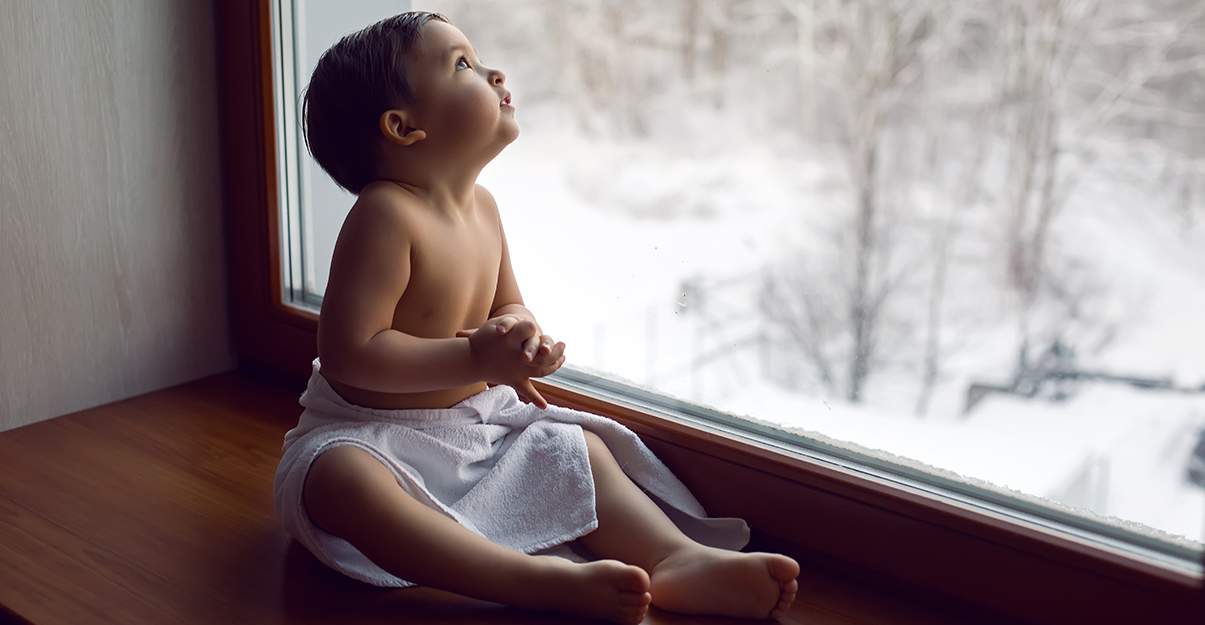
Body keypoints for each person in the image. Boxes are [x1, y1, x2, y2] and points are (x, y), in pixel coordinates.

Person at [273, 11, 799, 624]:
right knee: (342, 483)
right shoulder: (386, 215)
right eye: (462, 65)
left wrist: (522, 339)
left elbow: (506, 303)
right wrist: (475, 357)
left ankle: (675, 557)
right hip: (371, 436)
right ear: (404, 126)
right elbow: (352, 353)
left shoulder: (484, 210)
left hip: (474, 427)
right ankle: (525, 579)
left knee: (574, 449)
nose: (494, 72)